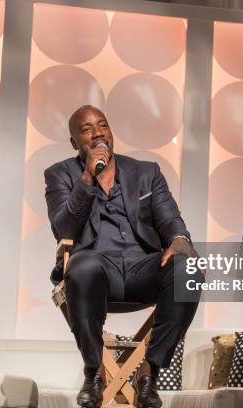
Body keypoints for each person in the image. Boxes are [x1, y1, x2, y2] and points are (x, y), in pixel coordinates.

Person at [44, 105, 202, 408]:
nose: (98, 133)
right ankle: (94, 371)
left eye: (102, 125)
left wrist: (180, 240)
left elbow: (170, 220)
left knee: (189, 268)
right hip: (97, 269)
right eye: (87, 129)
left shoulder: (146, 172)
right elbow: (63, 228)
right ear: (74, 142)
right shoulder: (60, 174)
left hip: (144, 266)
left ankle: (150, 370)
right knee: (82, 265)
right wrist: (88, 176)